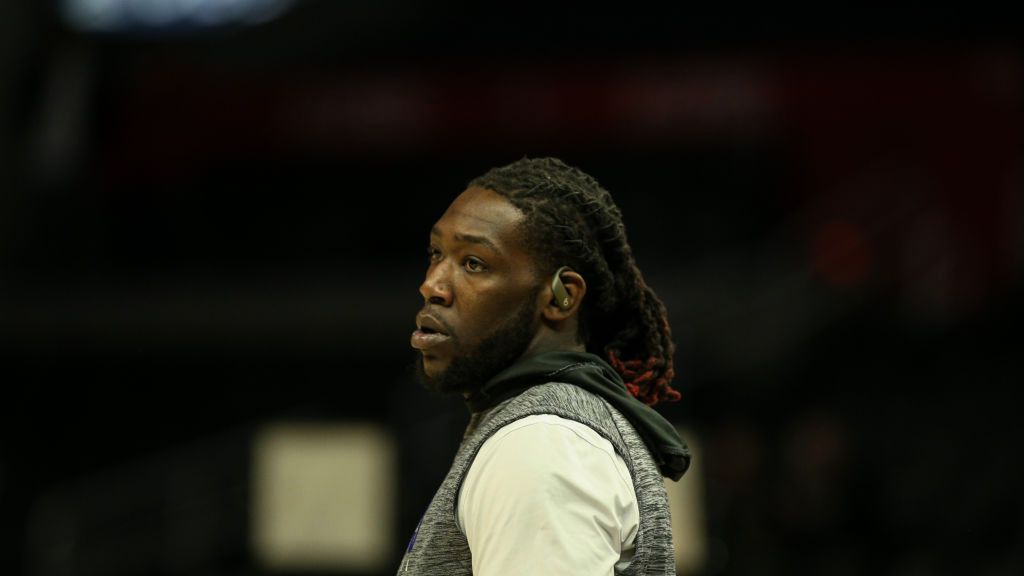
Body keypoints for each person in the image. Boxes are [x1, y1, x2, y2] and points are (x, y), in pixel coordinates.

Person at [398, 157, 691, 576]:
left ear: (559, 297)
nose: (432, 285)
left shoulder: (543, 445)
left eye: (474, 263)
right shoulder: (539, 429)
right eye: (436, 253)